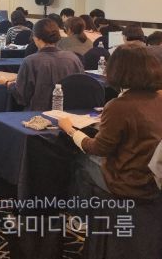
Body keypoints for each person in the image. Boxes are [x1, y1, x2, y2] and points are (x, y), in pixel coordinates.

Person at [59, 45, 162, 200]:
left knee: (78, 158)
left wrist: (71, 131)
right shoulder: (158, 98)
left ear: (116, 69)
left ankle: (79, 211)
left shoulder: (119, 106)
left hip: (128, 182)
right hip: (154, 178)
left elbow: (98, 148)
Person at [0, 18, 84, 110]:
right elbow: (81, 88)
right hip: (70, 113)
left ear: (36, 38)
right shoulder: (73, 59)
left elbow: (22, 96)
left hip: (37, 114)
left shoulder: (31, 61)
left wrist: (7, 83)